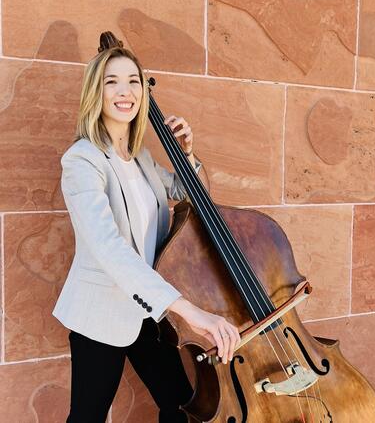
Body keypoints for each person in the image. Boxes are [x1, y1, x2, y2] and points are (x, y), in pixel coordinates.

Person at [52, 33, 240, 423]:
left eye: (133, 81)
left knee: (181, 406)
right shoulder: (82, 160)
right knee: (87, 416)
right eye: (112, 81)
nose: (126, 91)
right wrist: (191, 312)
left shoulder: (139, 156)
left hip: (148, 310)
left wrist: (187, 154)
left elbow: (188, 194)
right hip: (102, 313)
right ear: (96, 93)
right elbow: (110, 249)